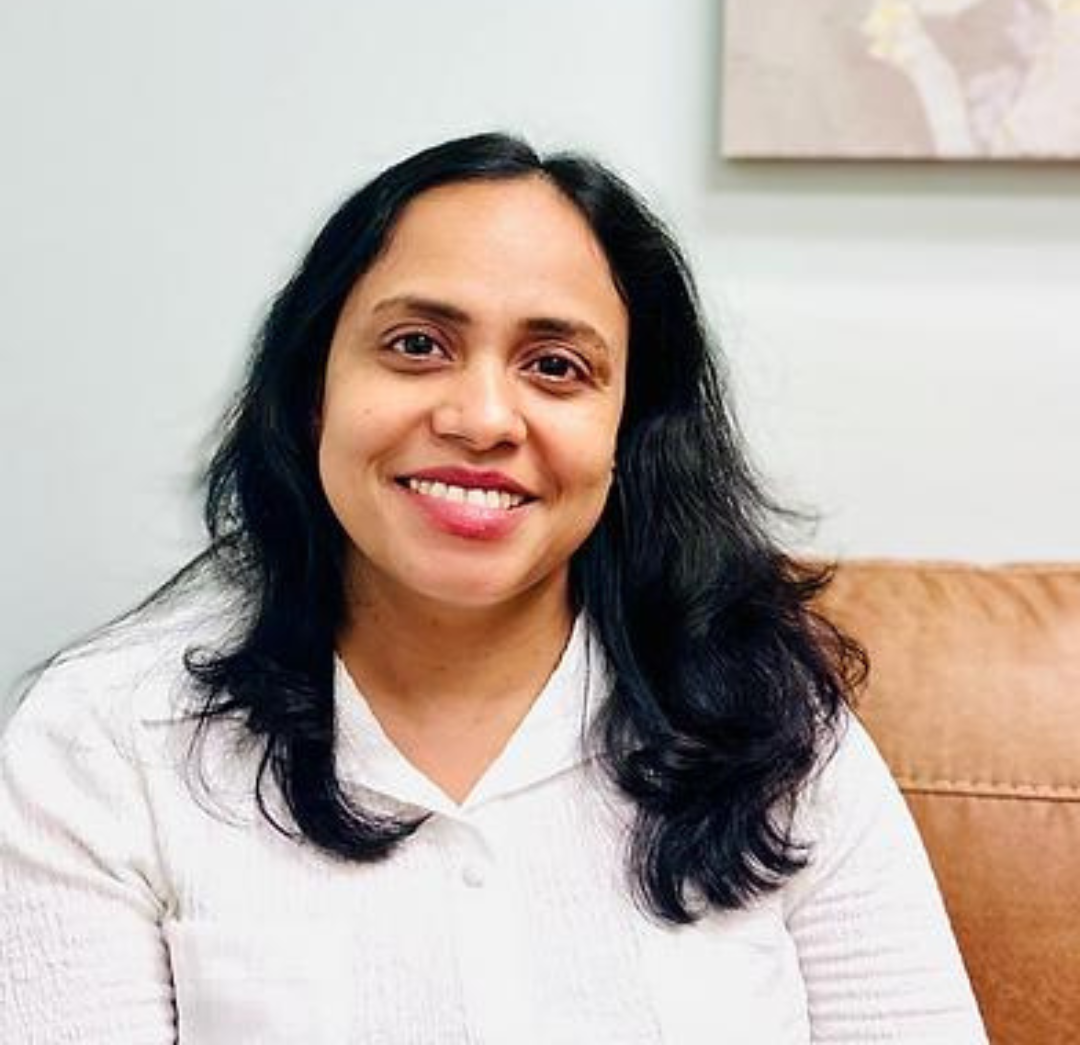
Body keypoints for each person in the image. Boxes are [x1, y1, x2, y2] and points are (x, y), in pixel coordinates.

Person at [0, 132, 987, 1043]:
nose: (481, 417)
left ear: (626, 431)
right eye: (417, 345)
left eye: (556, 367)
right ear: (313, 393)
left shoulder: (776, 732)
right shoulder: (102, 745)